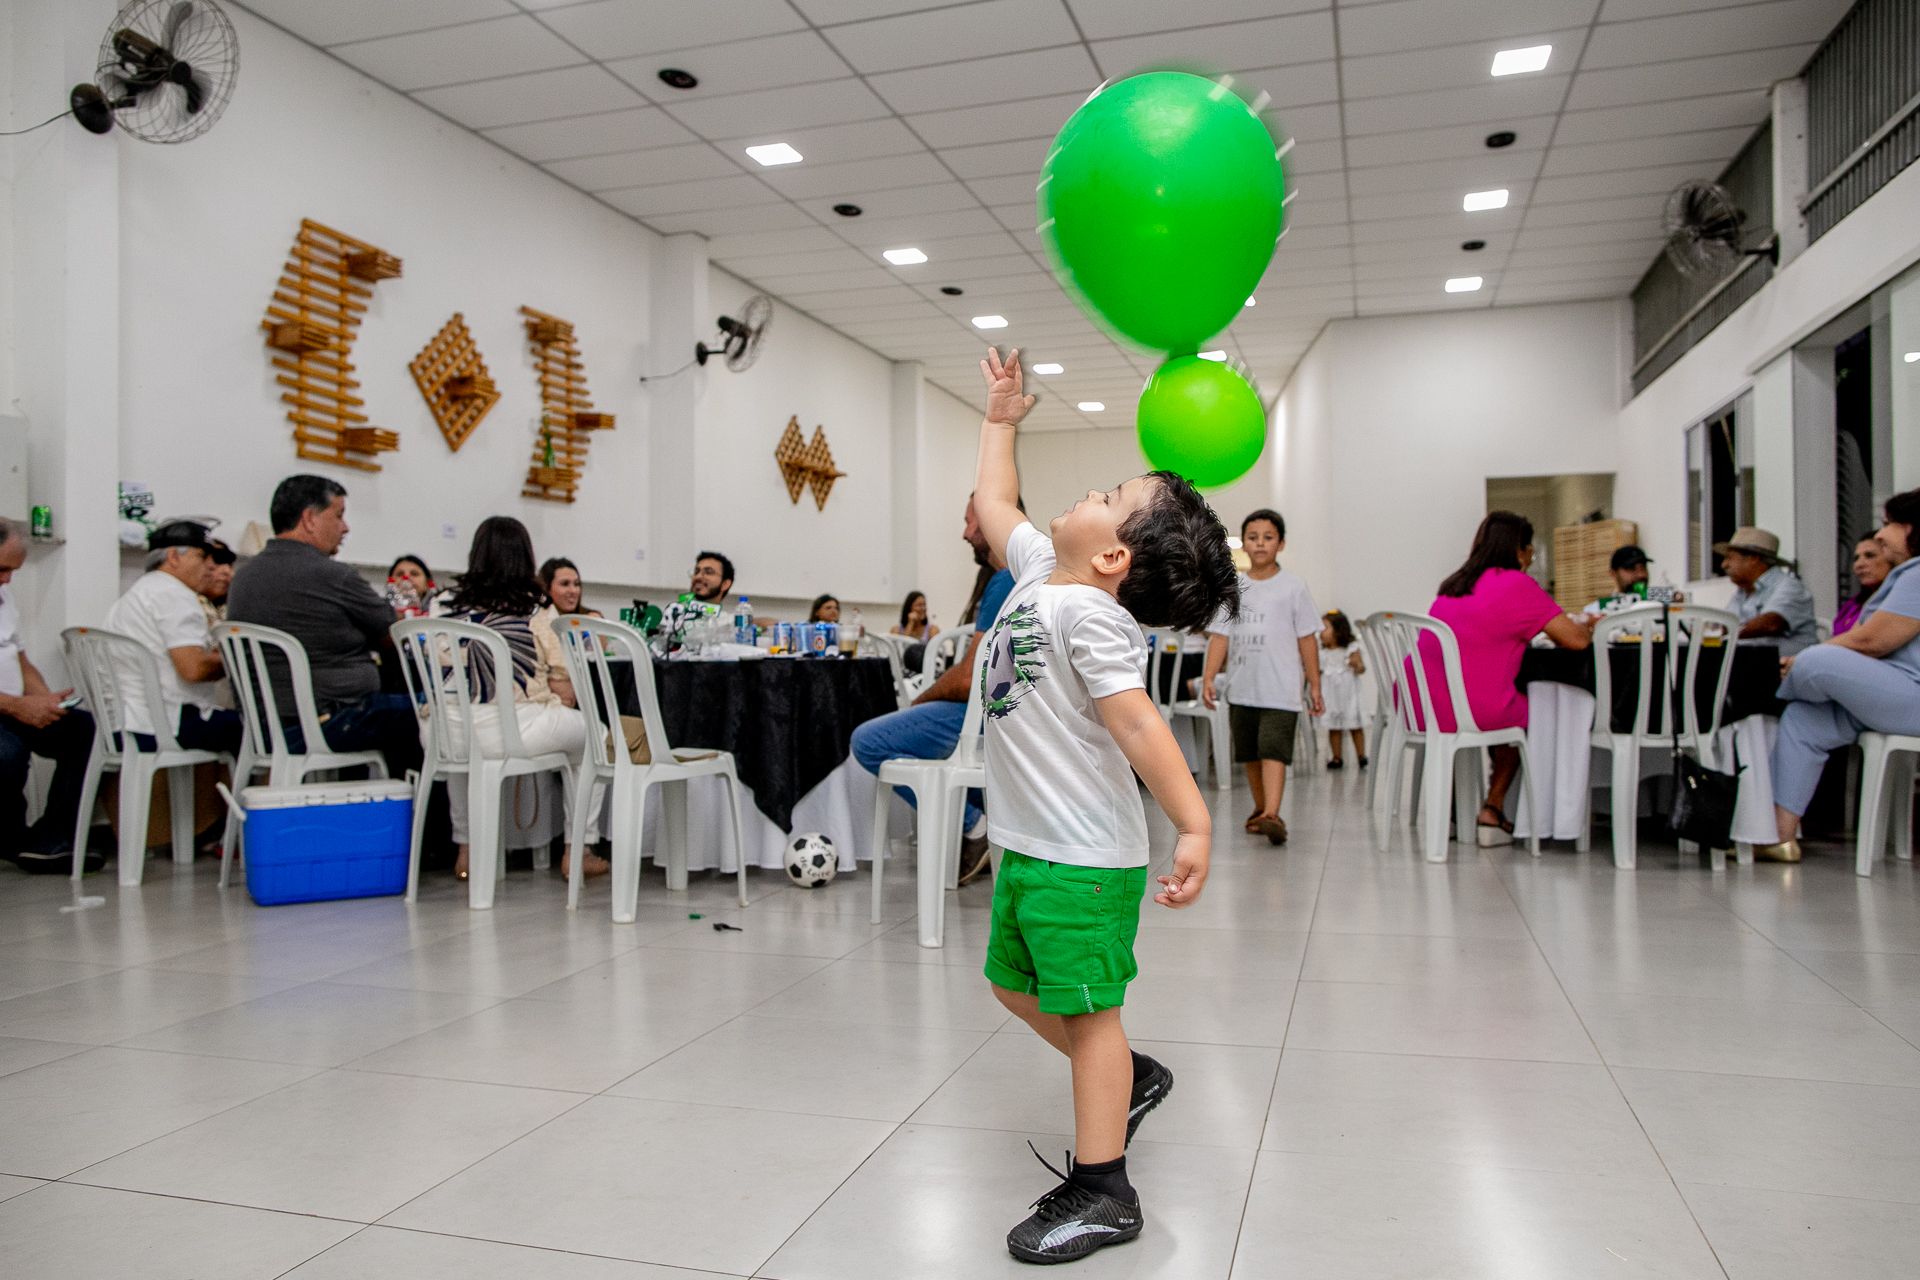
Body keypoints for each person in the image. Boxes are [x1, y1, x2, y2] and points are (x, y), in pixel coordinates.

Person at [970, 347, 1238, 1265]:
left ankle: (1103, 1190)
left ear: (1114, 554)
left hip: (1084, 861)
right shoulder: (1049, 571)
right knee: (1012, 986)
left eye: (1108, 493)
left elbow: (1139, 728)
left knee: (1089, 1019)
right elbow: (996, 507)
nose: (1089, 490)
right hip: (1033, 846)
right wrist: (1001, 421)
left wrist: (1196, 824)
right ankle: (1130, 1078)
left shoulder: (1092, 616)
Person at [850, 493, 1018, 885]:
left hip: (985, 716)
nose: (965, 533)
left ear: (995, 521)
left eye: (971, 522)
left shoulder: (1006, 579)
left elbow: (968, 678)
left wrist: (919, 702)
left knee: (868, 742)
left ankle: (973, 827)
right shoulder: (1019, 576)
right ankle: (981, 827)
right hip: (1012, 714)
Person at [430, 517, 608, 882]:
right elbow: (564, 682)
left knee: (465, 741)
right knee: (597, 738)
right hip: (514, 729)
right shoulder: (534, 606)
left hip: (443, 732)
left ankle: (467, 849)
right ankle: (579, 850)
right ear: (526, 557)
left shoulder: (442, 602)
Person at [226, 475, 419, 778]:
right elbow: (394, 634)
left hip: (263, 727)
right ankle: (418, 822)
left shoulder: (242, 578)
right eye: (339, 515)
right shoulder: (333, 576)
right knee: (432, 714)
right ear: (309, 519)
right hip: (326, 722)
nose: (346, 527)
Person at [1765, 489, 1920, 862]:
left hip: (1912, 694)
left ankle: (1769, 690)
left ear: (1912, 528)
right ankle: (1776, 836)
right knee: (1805, 719)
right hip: (1894, 691)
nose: (1880, 535)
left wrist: (1802, 662)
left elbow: (1873, 641)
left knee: (1816, 660)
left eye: (1888, 525)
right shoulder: (1906, 574)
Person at [1423, 511, 1593, 845]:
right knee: (1532, 712)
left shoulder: (1454, 585)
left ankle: (1456, 811)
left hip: (1426, 704)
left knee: (1496, 697)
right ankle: (1494, 806)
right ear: (1520, 550)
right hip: (1474, 708)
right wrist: (1588, 623)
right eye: (1531, 551)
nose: (1531, 558)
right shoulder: (1516, 583)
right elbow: (1576, 641)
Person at [1199, 509, 1322, 846]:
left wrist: (1315, 684)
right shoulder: (1234, 587)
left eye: (1268, 538)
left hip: (1281, 689)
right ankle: (1259, 810)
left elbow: (1307, 638)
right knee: (1249, 753)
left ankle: (1272, 812)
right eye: (1253, 537)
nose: (1260, 543)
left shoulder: (1293, 587)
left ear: (1280, 544)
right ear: (1244, 545)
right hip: (1242, 688)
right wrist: (1209, 677)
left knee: (1273, 750)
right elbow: (1220, 637)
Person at [0, 519, 102, 874]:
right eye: (2, 569)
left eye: (13, 571)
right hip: (8, 708)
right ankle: (10, 838)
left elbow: (21, 659)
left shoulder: (4, 596)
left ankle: (53, 839)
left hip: (13, 707)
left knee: (83, 730)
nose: (8, 579)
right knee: (6, 753)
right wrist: (18, 706)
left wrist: (45, 702)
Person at [104, 521, 244, 758]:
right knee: (261, 731)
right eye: (202, 557)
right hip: (165, 723)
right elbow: (193, 670)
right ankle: (247, 796)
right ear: (173, 557)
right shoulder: (174, 594)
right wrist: (236, 658)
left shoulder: (140, 591)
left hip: (125, 719)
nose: (210, 566)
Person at [1720, 526, 1818, 656]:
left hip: (1786, 669)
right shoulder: (1742, 592)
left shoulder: (1790, 587)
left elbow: (1770, 624)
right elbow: (1724, 625)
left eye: (1729, 558)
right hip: (1753, 664)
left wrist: (1722, 632)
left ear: (1753, 558)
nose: (1724, 565)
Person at [1319, 609, 1368, 770]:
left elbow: (1360, 667)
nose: (1321, 632)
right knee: (1334, 727)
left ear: (1339, 630)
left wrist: (1357, 664)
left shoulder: (1351, 649)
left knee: (1355, 725)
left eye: (1325, 627)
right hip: (1331, 695)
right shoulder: (1323, 653)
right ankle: (1336, 757)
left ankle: (1361, 755)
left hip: (1349, 695)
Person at [1833, 534, 1890, 636]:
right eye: (1856, 558)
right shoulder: (1852, 605)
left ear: (1891, 559)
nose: (1859, 564)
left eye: (1870, 556)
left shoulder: (1897, 602)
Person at [1581, 544, 1653, 617]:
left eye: (1643, 568)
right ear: (1613, 573)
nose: (1641, 575)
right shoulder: (1596, 610)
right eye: (1631, 568)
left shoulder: (1659, 598)